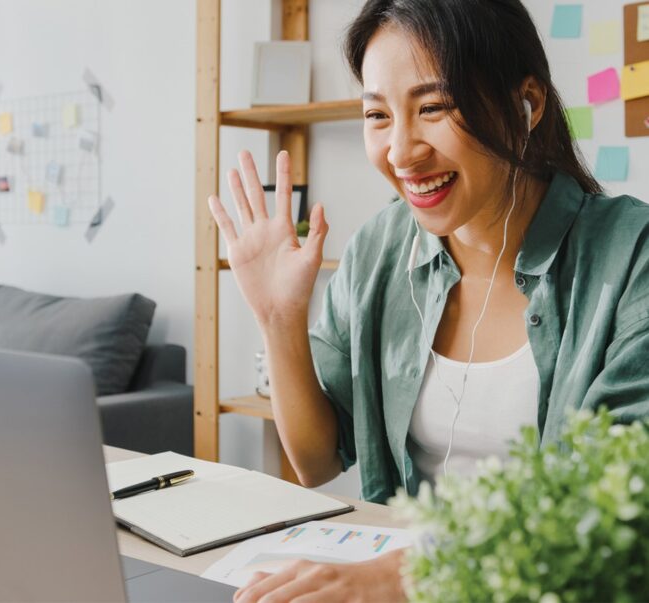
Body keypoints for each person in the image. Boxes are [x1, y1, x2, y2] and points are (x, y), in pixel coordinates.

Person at [207, 0, 649, 600]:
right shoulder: (381, 249)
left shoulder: (631, 257)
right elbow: (315, 462)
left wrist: (395, 581)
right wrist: (278, 318)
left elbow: (618, 508)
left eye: (434, 107)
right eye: (378, 115)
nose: (401, 151)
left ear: (529, 103)